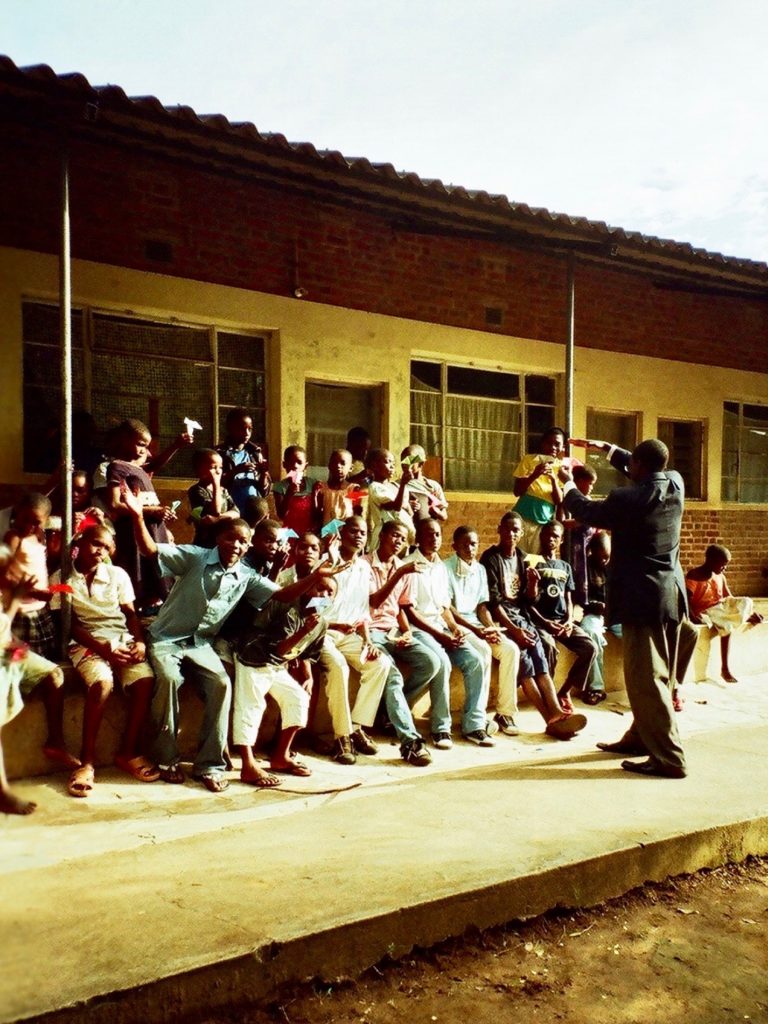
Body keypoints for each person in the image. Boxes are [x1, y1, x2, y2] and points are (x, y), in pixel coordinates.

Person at [118, 482, 342, 792]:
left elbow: (282, 595)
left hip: (200, 644)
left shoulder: (247, 576)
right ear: (218, 539)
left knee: (221, 684)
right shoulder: (196, 557)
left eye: (242, 542)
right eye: (230, 539)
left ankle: (210, 764)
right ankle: (166, 757)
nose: (236, 546)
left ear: (248, 546)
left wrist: (314, 577)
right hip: (168, 638)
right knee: (169, 679)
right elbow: (151, 550)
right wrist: (137, 516)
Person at [562, 437, 688, 778]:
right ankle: (639, 737)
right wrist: (609, 451)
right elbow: (646, 466)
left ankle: (669, 758)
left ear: (639, 468)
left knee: (647, 680)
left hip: (642, 599)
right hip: (670, 595)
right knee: (655, 676)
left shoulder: (627, 498)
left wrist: (567, 484)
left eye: (631, 462)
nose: (628, 465)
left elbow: (587, 510)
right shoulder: (675, 482)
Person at [51, 525, 158, 798]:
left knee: (144, 680)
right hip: (86, 644)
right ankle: (87, 762)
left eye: (106, 547)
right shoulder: (62, 578)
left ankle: (128, 751)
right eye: (95, 544)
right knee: (102, 682)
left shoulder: (117, 575)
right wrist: (103, 650)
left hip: (121, 639)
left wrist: (140, 643)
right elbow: (70, 626)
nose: (100, 552)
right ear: (80, 541)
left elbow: (130, 614)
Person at [480, 512, 586, 741]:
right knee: (525, 662)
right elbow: (493, 601)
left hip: (523, 619)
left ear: (521, 533)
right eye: (507, 529)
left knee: (539, 658)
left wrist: (533, 584)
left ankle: (556, 712)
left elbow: (530, 600)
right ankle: (549, 719)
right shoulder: (491, 558)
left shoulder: (523, 557)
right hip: (504, 622)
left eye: (516, 530)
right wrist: (514, 630)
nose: (511, 534)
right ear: (499, 530)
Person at [405, 519, 494, 748]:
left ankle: (474, 725)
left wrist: (455, 629)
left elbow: (444, 608)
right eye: (428, 535)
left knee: (475, 659)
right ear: (417, 539)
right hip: (420, 630)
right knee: (442, 663)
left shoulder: (440, 568)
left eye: (437, 535)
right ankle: (441, 728)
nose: (433, 539)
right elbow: (411, 613)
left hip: (442, 627)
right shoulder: (408, 565)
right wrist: (442, 635)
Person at [367, 520, 449, 766]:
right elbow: (374, 601)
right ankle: (410, 742)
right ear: (382, 536)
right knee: (392, 675)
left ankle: (390, 712)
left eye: (403, 539)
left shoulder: (404, 568)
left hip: (392, 630)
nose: (399, 542)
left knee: (431, 662)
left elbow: (401, 607)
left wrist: (405, 632)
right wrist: (400, 573)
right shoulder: (365, 565)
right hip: (369, 632)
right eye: (394, 536)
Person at [232, 586, 327, 787]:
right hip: (254, 658)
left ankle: (280, 757)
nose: (323, 596)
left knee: (298, 699)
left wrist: (308, 676)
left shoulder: (321, 623)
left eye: (330, 593)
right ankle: (248, 765)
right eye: (320, 590)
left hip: (275, 666)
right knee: (251, 705)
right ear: (308, 592)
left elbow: (307, 654)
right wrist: (304, 630)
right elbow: (282, 648)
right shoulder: (292, 612)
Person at [318, 516, 392, 764]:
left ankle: (356, 726)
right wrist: (333, 625)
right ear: (342, 534)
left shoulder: (363, 567)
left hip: (351, 635)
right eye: (353, 531)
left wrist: (368, 641)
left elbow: (363, 611)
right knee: (338, 667)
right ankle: (342, 737)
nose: (359, 536)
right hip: (323, 632)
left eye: (363, 532)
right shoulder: (327, 561)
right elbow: (313, 609)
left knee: (380, 664)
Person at [443, 525, 521, 736]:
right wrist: (476, 631)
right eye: (465, 544)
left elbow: (482, 606)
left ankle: (505, 713)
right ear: (455, 546)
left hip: (477, 625)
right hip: (457, 625)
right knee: (484, 652)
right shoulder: (445, 568)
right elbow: (447, 608)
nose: (470, 548)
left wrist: (490, 628)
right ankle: (476, 717)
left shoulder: (480, 570)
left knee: (510, 649)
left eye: (474, 544)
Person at [106, 418, 191, 609]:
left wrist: (176, 445)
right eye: (140, 444)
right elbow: (114, 504)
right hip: (135, 532)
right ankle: (137, 615)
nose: (144, 450)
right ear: (125, 440)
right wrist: (152, 511)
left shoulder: (139, 469)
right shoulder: (117, 467)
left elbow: (156, 464)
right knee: (140, 576)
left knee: (159, 572)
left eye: (146, 445)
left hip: (154, 530)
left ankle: (157, 612)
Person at [527, 521, 599, 711]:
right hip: (540, 622)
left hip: (562, 621)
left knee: (590, 647)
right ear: (542, 536)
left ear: (560, 541)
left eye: (555, 536)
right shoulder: (532, 561)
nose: (551, 539)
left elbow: (568, 597)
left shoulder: (565, 566)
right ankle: (548, 696)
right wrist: (545, 623)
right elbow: (526, 602)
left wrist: (568, 621)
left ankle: (564, 691)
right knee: (549, 647)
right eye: (548, 535)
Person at [686, 544, 764, 683]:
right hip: (706, 612)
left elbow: (730, 598)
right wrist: (692, 617)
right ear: (711, 560)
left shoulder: (720, 575)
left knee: (746, 601)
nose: (724, 568)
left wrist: (749, 613)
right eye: (722, 565)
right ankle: (725, 669)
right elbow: (685, 600)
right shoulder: (694, 575)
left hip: (721, 608)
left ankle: (734, 620)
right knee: (726, 625)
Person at [512, 426, 567, 554]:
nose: (553, 447)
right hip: (522, 518)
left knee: (535, 559)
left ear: (563, 447)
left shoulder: (562, 468)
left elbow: (559, 501)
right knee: (519, 557)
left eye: (557, 444)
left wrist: (553, 478)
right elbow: (517, 491)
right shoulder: (529, 460)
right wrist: (534, 474)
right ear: (542, 444)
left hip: (543, 523)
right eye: (549, 443)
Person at [216, 407, 271, 516]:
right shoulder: (220, 454)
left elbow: (264, 491)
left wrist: (264, 473)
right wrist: (236, 471)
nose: (247, 433)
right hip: (230, 515)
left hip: (254, 515)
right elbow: (214, 484)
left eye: (250, 429)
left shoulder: (255, 454)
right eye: (242, 428)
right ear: (230, 428)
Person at [365, 448, 415, 553]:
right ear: (374, 466)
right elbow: (396, 506)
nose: (392, 466)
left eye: (393, 463)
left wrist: (412, 506)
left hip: (402, 538)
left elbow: (409, 512)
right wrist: (403, 485)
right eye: (388, 462)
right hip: (386, 538)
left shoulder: (395, 486)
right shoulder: (375, 487)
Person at [187, 448, 239, 547]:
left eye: (220, 467)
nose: (218, 471)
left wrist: (217, 519)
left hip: (223, 540)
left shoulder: (223, 490)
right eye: (213, 467)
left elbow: (236, 512)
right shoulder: (197, 490)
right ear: (199, 469)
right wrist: (216, 483)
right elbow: (216, 511)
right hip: (206, 541)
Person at [273, 445, 318, 538]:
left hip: (309, 532)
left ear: (306, 466)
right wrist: (289, 493)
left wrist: (315, 495)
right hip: (289, 532)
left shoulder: (313, 484)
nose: (295, 466)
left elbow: (317, 513)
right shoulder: (279, 486)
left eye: (299, 462)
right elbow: (281, 514)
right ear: (284, 465)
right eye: (291, 462)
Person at [399, 444, 448, 525]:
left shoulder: (433, 486)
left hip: (427, 532)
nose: (405, 464)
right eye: (403, 460)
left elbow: (444, 516)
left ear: (421, 463)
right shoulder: (398, 485)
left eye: (409, 460)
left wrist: (435, 511)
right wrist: (406, 506)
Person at [313, 449, 361, 528]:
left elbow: (357, 516)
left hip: (346, 536)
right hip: (328, 535)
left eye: (342, 463)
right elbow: (316, 516)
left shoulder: (354, 489)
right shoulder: (322, 488)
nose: (338, 466)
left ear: (351, 468)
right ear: (329, 465)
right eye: (334, 462)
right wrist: (315, 495)